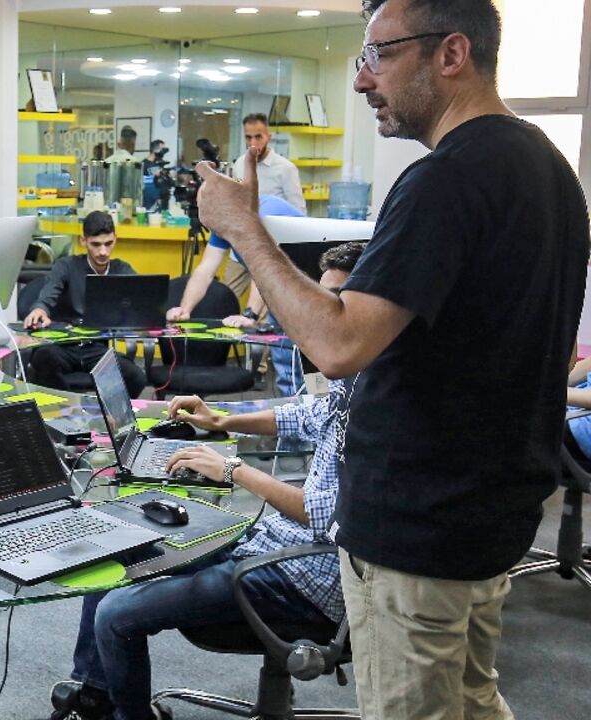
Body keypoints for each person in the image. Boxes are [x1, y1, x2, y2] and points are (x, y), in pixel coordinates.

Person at [193, 1, 589, 717]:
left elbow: (340, 344)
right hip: (486, 514)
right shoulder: (544, 167)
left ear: (452, 53)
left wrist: (246, 233)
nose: (361, 81)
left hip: (419, 530)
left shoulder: (446, 178)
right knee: (470, 700)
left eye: (379, 56)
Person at [48, 242, 362, 720]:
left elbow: (321, 514)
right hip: (273, 545)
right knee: (121, 545)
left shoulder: (379, 401)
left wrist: (233, 469)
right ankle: (98, 693)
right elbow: (301, 415)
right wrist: (220, 422)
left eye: (335, 299)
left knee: (115, 614)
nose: (321, 312)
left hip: (303, 579)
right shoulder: (351, 380)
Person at [164, 195, 306, 396]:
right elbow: (206, 270)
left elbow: (266, 272)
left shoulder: (261, 218)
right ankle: (294, 418)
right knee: (286, 368)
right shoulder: (224, 222)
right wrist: (185, 309)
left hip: (310, 286)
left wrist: (250, 316)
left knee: (309, 368)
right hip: (284, 288)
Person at [23, 210, 148, 398]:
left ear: (116, 239)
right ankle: (69, 406)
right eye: (95, 244)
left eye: (108, 243)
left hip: (96, 349)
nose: (103, 252)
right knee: (43, 358)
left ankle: (103, 412)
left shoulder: (122, 269)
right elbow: (49, 292)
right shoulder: (66, 265)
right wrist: (40, 308)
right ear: (83, 241)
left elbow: (144, 299)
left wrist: (161, 311)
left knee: (136, 377)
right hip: (63, 345)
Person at [231, 113, 306, 215]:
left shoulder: (286, 168)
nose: (252, 143)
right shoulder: (239, 164)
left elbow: (299, 212)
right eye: (248, 137)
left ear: (268, 138)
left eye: (258, 137)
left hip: (274, 229)